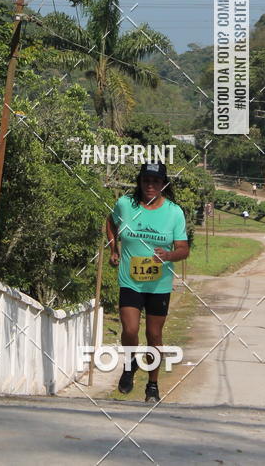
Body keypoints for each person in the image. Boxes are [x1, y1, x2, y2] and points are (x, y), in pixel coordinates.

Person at [106, 162, 189, 403]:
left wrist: (169, 255)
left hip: (159, 284)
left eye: (155, 182)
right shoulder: (126, 204)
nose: (150, 186)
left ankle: (152, 385)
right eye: (145, 181)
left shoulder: (174, 212)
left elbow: (183, 249)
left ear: (163, 184)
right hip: (130, 280)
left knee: (154, 335)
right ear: (140, 182)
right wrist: (114, 249)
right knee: (130, 329)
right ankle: (130, 364)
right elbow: (111, 223)